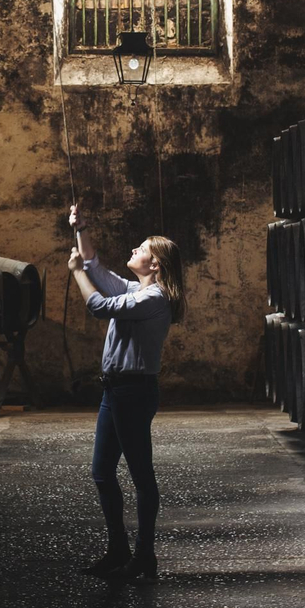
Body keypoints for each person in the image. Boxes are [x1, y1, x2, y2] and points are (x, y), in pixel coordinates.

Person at [65, 203, 186, 582]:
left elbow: (99, 305)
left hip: (133, 392)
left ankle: (144, 556)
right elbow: (97, 267)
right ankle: (118, 550)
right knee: (102, 472)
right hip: (114, 391)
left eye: (142, 248)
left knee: (140, 476)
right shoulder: (138, 289)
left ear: (156, 264)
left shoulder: (154, 299)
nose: (134, 250)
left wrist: (76, 274)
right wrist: (80, 228)